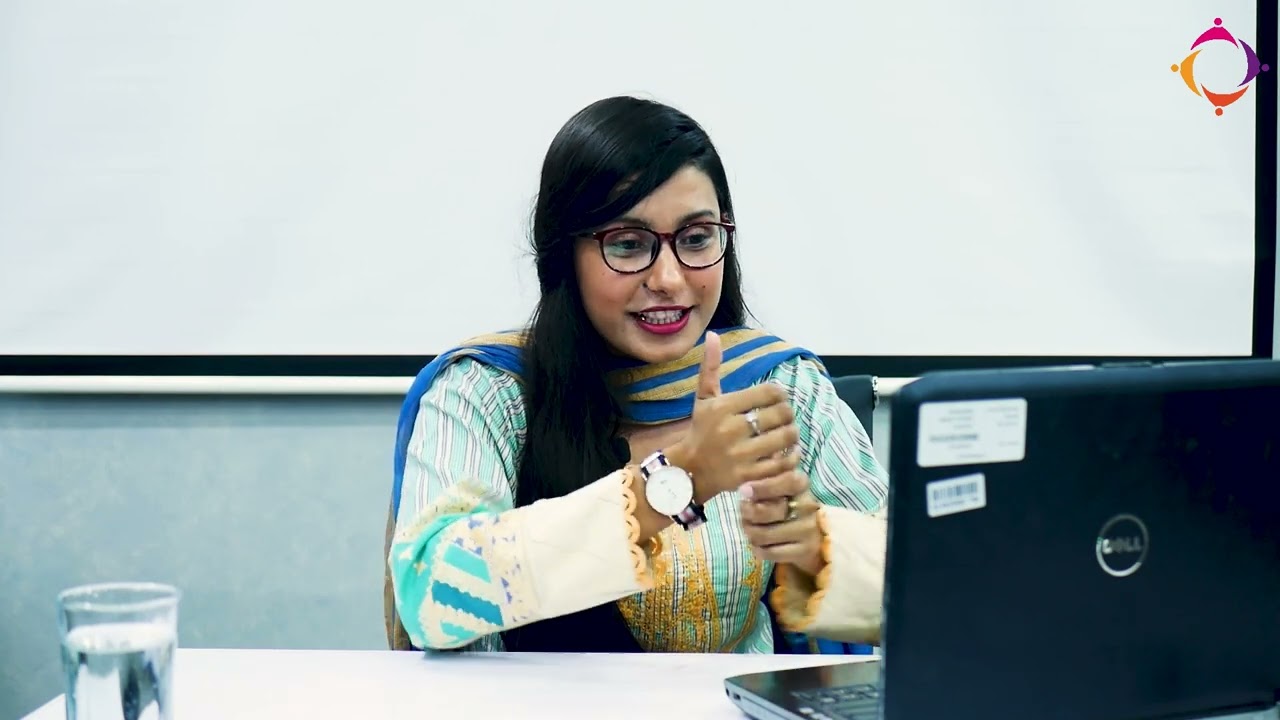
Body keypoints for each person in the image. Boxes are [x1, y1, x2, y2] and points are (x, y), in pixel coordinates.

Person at [384, 95, 888, 654]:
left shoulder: (777, 387)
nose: (669, 279)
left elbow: (923, 583)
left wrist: (816, 546)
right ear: (563, 256)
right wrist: (673, 483)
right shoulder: (490, 391)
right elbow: (431, 594)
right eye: (628, 244)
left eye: (696, 239)